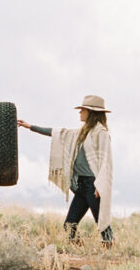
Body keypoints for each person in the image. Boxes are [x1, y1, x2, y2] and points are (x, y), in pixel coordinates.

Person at [18, 95, 114, 246]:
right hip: (82, 185)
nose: (80, 112)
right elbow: (58, 133)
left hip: (93, 185)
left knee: (101, 222)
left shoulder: (101, 133)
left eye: (82, 110)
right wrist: (30, 127)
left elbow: (106, 161)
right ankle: (78, 250)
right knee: (69, 224)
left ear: (91, 112)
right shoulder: (81, 132)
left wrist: (99, 185)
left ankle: (110, 251)